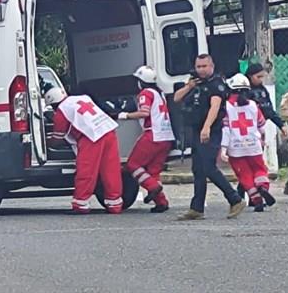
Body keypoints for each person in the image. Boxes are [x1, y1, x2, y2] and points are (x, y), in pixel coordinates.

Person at [173, 54, 245, 220]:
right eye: (198, 66)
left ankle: (235, 199)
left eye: (204, 66)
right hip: (196, 129)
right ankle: (197, 208)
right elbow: (177, 98)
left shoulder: (216, 83)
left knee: (208, 167)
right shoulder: (194, 82)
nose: (201, 70)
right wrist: (188, 86)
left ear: (211, 66)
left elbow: (215, 106)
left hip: (211, 131)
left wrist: (206, 127)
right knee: (198, 169)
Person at [46, 87, 124, 214]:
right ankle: (114, 204)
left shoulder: (62, 110)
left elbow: (58, 137)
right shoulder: (82, 98)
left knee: (86, 170)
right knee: (111, 170)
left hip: (90, 137)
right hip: (108, 131)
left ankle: (81, 204)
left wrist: (46, 142)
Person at [117, 65, 174, 213]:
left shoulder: (146, 93)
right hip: (166, 136)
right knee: (153, 171)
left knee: (133, 165)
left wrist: (125, 115)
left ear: (141, 81)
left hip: (153, 135)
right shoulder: (159, 94)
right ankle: (161, 202)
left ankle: (153, 187)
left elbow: (144, 112)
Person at [221, 73, 275, 212]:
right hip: (253, 145)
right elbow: (262, 126)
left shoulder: (226, 107)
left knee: (244, 175)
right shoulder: (253, 105)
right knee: (260, 170)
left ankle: (256, 200)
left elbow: (226, 129)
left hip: (236, 148)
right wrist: (263, 140)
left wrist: (223, 149)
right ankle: (263, 187)